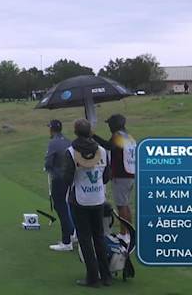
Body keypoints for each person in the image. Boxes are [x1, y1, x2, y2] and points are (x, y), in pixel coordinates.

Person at [63, 118, 112, 287]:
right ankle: (106, 276)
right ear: (90, 132)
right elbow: (106, 177)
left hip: (80, 200)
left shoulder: (71, 152)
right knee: (99, 237)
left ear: (75, 132)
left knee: (85, 239)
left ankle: (92, 278)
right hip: (98, 199)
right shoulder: (102, 151)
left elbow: (67, 179)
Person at [92, 114, 136, 237]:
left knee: (121, 206)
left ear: (114, 125)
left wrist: (93, 136)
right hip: (130, 173)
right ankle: (130, 232)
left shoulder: (118, 136)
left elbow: (109, 146)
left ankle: (124, 234)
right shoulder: (128, 136)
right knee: (125, 205)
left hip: (121, 175)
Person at [43, 119, 75, 251]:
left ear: (51, 129)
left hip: (59, 179)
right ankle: (72, 233)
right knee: (67, 206)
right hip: (70, 179)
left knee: (60, 207)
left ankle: (66, 241)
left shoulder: (53, 143)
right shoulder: (68, 141)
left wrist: (48, 168)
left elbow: (48, 162)